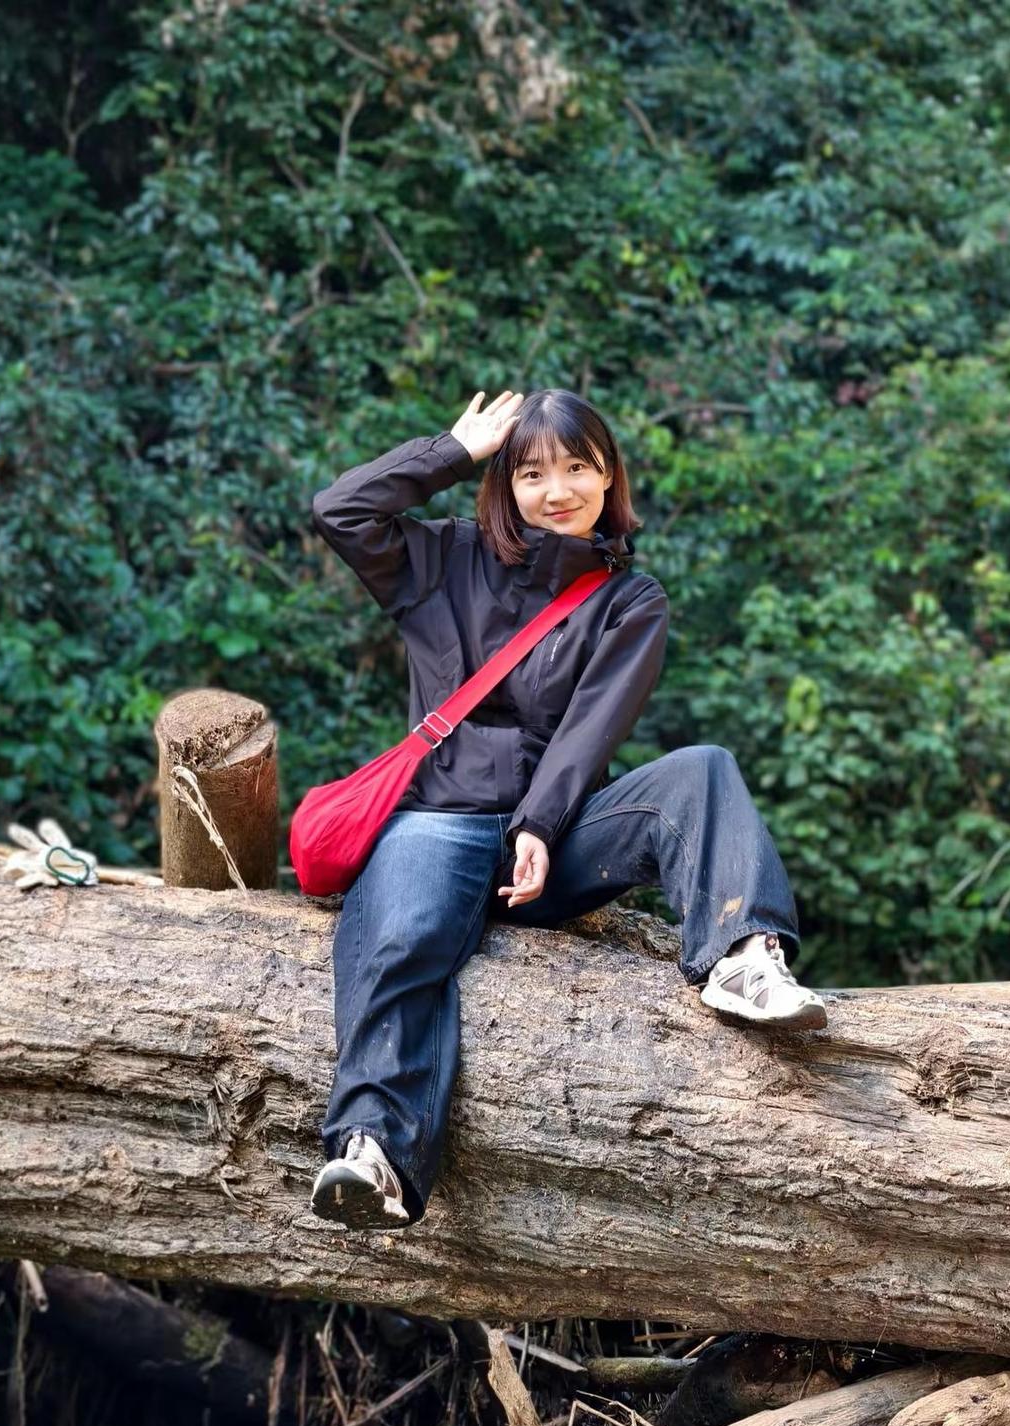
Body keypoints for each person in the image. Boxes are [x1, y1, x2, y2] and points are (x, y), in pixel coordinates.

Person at [307, 388, 827, 1230]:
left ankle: (741, 954)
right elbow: (340, 510)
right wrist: (451, 448)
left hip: (555, 840)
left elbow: (590, 733)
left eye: (578, 467)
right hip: (439, 818)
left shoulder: (629, 601)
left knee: (701, 769)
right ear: (505, 483)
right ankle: (376, 1153)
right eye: (533, 471)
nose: (558, 490)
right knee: (401, 941)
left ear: (608, 475)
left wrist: (541, 827)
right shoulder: (442, 560)